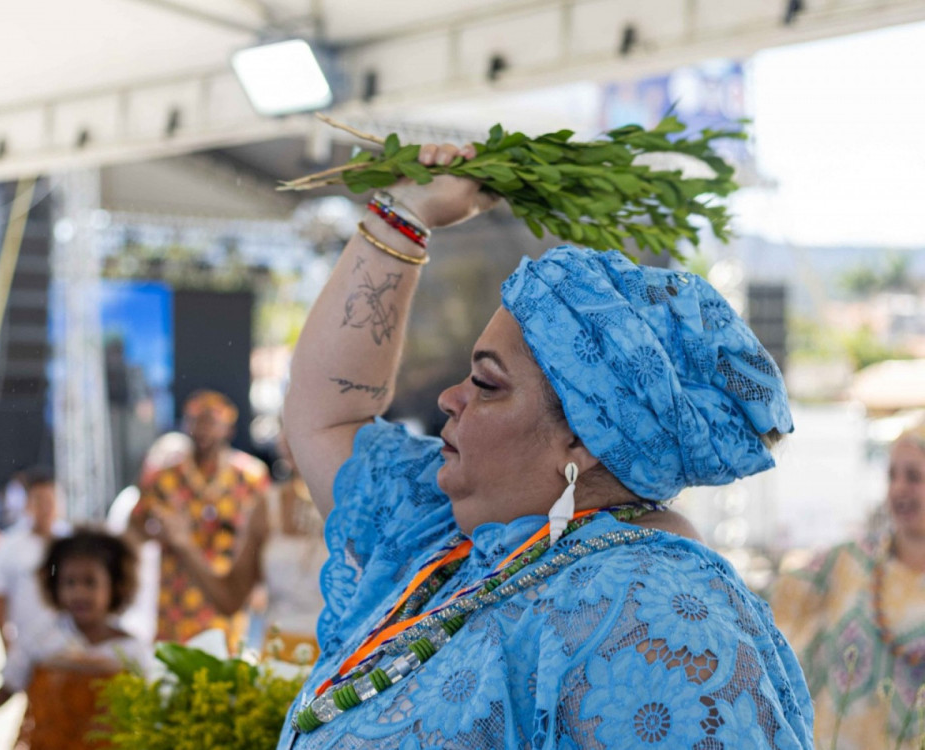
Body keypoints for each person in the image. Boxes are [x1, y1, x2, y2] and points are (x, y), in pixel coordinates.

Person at [277, 143, 813, 747]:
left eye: (485, 384)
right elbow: (327, 417)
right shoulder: (449, 534)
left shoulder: (658, 616)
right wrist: (403, 214)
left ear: (582, 439)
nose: (451, 398)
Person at [770, 419, 925, 749]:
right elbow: (774, 607)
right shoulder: (848, 562)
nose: (898, 489)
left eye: (914, 477)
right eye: (892, 476)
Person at [0, 530, 147, 750]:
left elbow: (148, 712)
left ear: (115, 586)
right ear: (55, 587)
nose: (79, 592)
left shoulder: (132, 650)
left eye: (90, 582)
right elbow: (5, 691)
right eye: (70, 583)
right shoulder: (40, 639)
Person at [155, 432, 327, 662]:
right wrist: (184, 545)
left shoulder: (364, 502)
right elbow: (229, 598)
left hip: (352, 659)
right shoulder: (268, 507)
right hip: (282, 663)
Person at [127, 390, 270, 645]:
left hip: (227, 588)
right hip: (177, 596)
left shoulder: (250, 476)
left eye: (211, 423)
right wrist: (159, 535)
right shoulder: (164, 475)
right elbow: (134, 524)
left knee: (224, 667)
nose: (203, 430)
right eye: (196, 422)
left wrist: (259, 584)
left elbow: (264, 534)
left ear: (228, 428)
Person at [0, 465, 69, 649]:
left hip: (68, 647)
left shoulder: (72, 542)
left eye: (51, 500)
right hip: (26, 647)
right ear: (28, 504)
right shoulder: (9, 545)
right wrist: (6, 644)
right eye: (39, 500)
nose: (46, 508)